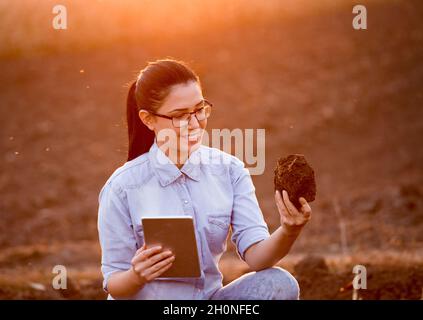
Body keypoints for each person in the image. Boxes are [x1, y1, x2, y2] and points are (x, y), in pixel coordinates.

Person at [97, 58, 312, 300]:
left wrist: (289, 230)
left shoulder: (230, 171)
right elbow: (114, 283)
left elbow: (256, 257)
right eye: (180, 116)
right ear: (148, 119)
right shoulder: (123, 187)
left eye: (199, 110)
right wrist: (137, 275)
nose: (195, 123)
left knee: (279, 283)